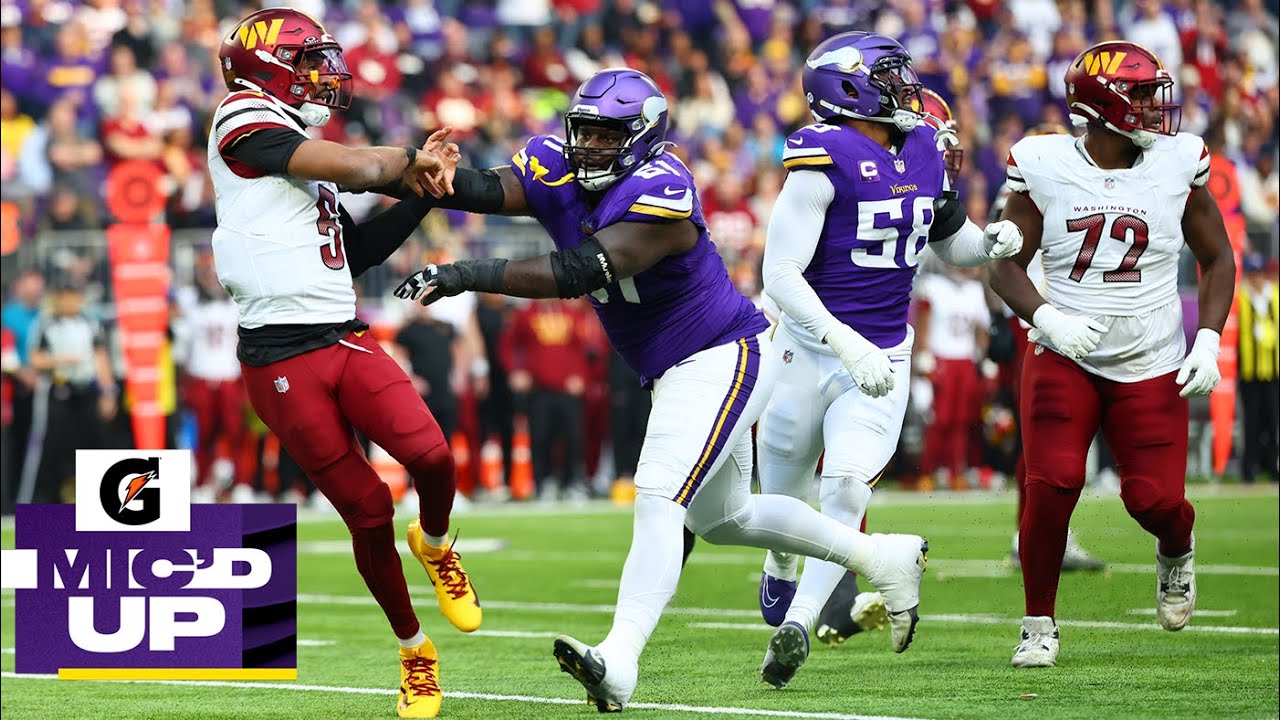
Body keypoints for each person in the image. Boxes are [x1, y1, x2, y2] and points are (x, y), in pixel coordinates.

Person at [394, 67, 928, 712]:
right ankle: (882, 558)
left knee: (658, 495)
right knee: (726, 519)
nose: (588, 145)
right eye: (583, 130)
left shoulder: (663, 188)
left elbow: (577, 270)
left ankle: (619, 660)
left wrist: (462, 272)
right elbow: (489, 187)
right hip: (677, 367)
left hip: (721, 354)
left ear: (642, 136)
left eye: (605, 134)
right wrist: (424, 172)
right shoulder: (556, 163)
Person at [210, 9, 479, 717]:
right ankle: (415, 652)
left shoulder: (299, 143)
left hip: (342, 334)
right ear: (267, 67)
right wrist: (403, 160)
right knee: (364, 508)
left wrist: (423, 194)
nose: (320, 74)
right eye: (305, 61)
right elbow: (363, 167)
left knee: (432, 456)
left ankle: (438, 541)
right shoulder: (240, 116)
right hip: (277, 356)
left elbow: (357, 254)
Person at [753, 37, 1023, 689]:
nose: (907, 87)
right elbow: (780, 274)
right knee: (781, 498)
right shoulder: (822, 157)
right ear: (848, 90)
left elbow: (951, 243)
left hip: (883, 356)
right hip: (806, 351)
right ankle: (781, 566)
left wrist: (991, 242)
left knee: (845, 488)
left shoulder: (925, 149)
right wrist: (845, 342)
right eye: (891, 77)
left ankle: (801, 622)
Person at [989, 41, 1236, 668]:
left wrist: (1208, 336)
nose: (1158, 106)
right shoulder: (1043, 163)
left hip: (1151, 354)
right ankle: (1038, 623)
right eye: (1146, 93)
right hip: (1063, 352)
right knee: (1052, 483)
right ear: (1104, 105)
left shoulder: (1179, 161)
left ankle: (1176, 547)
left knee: (1153, 501)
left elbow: (1217, 258)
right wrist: (1047, 317)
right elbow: (1006, 267)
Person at [989, 122, 1106, 572]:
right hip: (1039, 322)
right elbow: (998, 265)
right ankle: (1031, 536)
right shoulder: (1027, 190)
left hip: (1056, 318)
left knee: (1061, 442)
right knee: (1043, 442)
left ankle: (1043, 535)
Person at [1236, 253, 1279, 485]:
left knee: (1272, 421)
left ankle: (1272, 467)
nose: (1257, 279)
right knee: (1251, 423)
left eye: (1260, 273)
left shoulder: (1275, 297)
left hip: (1273, 371)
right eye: (1252, 274)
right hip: (1249, 371)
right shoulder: (1241, 299)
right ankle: (1249, 469)